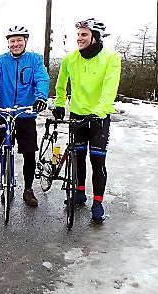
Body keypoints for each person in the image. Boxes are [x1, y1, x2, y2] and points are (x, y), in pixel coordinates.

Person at [54, 18, 121, 222]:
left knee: (97, 160)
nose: (79, 39)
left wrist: (99, 111)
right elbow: (60, 83)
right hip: (77, 114)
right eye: (78, 35)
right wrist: (59, 104)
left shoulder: (111, 58)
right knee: (78, 157)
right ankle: (80, 193)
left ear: (95, 37)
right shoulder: (70, 58)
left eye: (84, 35)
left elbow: (110, 89)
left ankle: (98, 202)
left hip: (99, 117)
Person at [0, 25, 49, 207]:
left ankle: (28, 189)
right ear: (8, 43)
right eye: (12, 41)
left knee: (28, 153)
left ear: (25, 41)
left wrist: (41, 97)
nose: (16, 43)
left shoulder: (34, 60)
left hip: (25, 114)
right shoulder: (0, 61)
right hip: (3, 114)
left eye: (19, 40)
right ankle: (5, 186)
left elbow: (41, 79)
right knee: (2, 150)